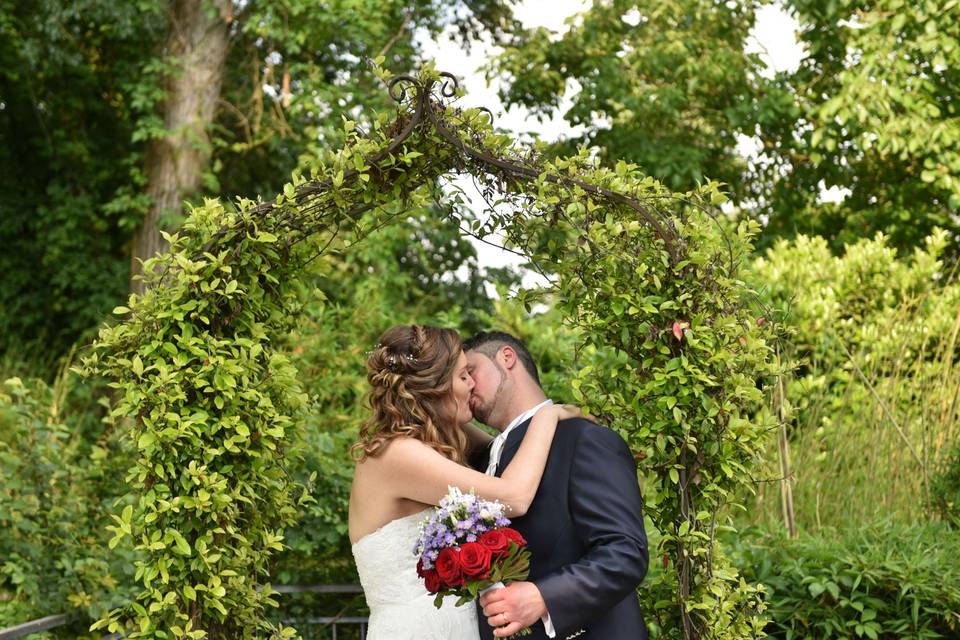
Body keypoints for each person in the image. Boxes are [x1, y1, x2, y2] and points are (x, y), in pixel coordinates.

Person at [348, 324, 584, 640]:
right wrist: (546, 414)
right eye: (463, 377)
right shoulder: (398, 454)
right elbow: (514, 497)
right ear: (434, 387)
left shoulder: (428, 442)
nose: (472, 385)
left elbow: (500, 452)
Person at [465, 330, 649, 640]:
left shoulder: (584, 438)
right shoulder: (482, 461)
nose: (467, 384)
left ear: (506, 358)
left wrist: (543, 597)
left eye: (471, 371)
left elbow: (625, 551)